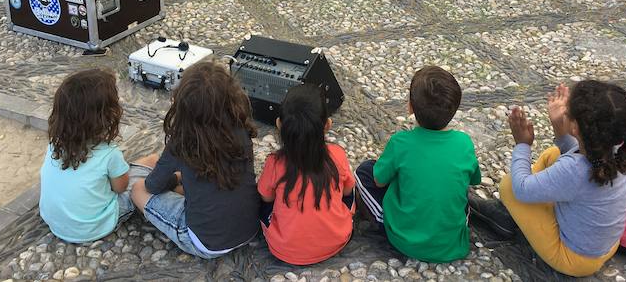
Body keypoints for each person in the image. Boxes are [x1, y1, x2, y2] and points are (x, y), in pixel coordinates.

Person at [475, 81, 626, 278]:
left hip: (575, 259)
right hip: (608, 245)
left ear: (575, 127)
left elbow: (521, 189)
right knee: (553, 154)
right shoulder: (616, 151)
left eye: (568, 111)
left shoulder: (574, 169)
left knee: (509, 186)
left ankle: (511, 216)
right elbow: (576, 157)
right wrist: (560, 128)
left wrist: (522, 145)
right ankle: (542, 192)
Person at [130, 62, 260, 258]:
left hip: (206, 242)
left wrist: (175, 179)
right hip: (249, 229)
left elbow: (153, 185)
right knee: (192, 184)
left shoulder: (183, 140)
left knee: (137, 189)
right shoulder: (241, 130)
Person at [355, 66, 479, 262]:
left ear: (410, 106)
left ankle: (387, 222)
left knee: (364, 171)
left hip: (403, 240)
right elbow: (473, 180)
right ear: (455, 109)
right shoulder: (464, 143)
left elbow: (378, 181)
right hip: (453, 243)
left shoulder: (400, 142)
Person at [40, 69, 154, 244]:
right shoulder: (109, 153)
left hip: (56, 223)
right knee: (147, 171)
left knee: (140, 165)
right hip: (94, 226)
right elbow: (120, 188)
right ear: (106, 116)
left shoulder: (55, 144)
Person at [258, 84, 355, 265]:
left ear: (279, 124)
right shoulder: (337, 155)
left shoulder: (274, 163)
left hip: (283, 249)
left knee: (260, 203)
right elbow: (348, 191)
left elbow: (266, 198)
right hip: (338, 240)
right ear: (327, 125)